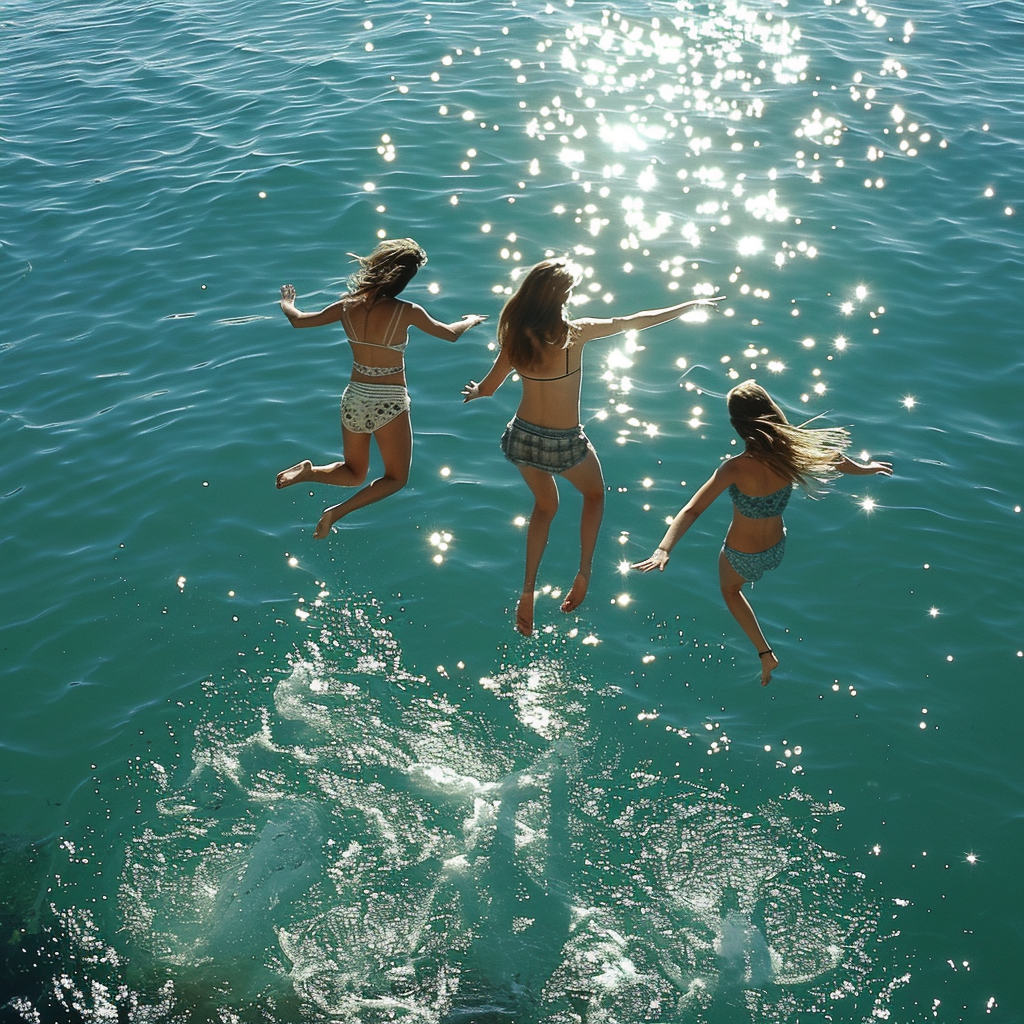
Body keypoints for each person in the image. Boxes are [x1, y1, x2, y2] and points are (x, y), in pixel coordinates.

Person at [462, 256, 722, 636]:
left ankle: (528, 589)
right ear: (562, 297)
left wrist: (475, 392)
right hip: (564, 443)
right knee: (595, 495)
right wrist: (688, 305)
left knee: (545, 505)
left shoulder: (514, 340)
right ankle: (583, 571)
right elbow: (634, 320)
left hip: (521, 438)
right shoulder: (575, 333)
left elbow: (488, 388)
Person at [631, 379, 892, 685]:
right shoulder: (793, 450)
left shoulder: (734, 469)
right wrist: (867, 468)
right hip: (777, 548)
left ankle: (765, 654)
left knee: (730, 591)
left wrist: (664, 548)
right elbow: (837, 460)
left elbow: (692, 510)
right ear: (773, 411)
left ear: (736, 426)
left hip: (742, 557)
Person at [276, 238, 487, 538]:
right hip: (389, 402)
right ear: (403, 280)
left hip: (354, 398)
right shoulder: (408, 311)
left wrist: (288, 303)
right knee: (396, 478)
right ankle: (335, 512)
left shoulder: (346, 306)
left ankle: (310, 472)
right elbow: (450, 334)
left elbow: (299, 321)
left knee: (354, 473)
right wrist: (469, 321)